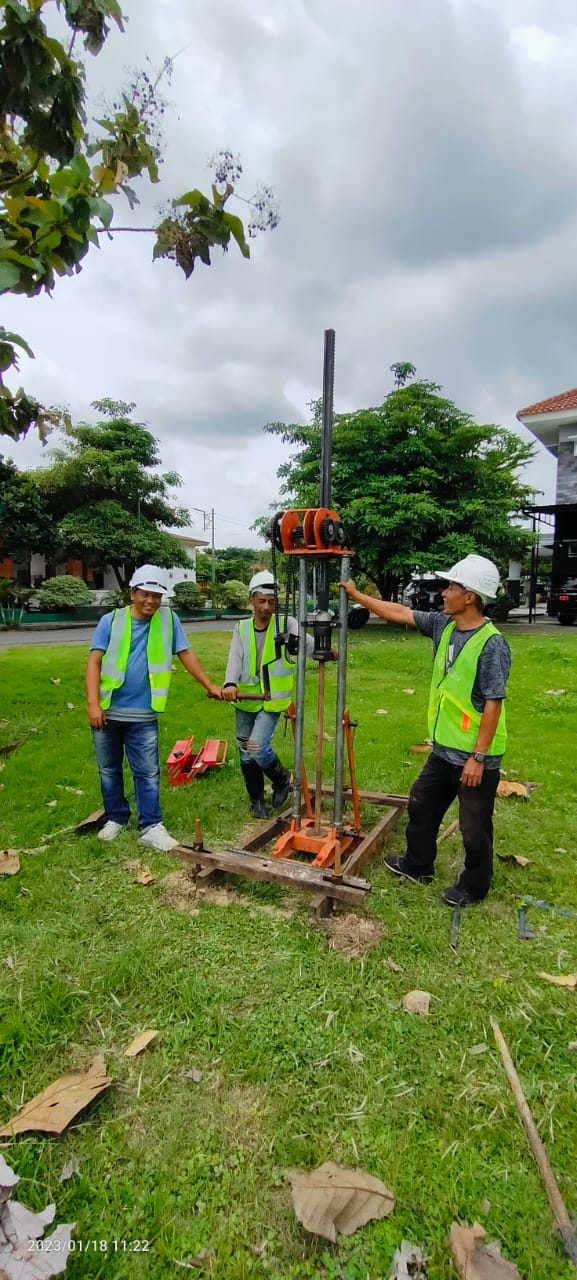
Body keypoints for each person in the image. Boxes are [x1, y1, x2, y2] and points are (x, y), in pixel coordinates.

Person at [341, 554, 511, 907]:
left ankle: (474, 886)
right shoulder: (443, 626)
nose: (444, 592)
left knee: (473, 827)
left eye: (451, 586)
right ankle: (418, 865)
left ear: (471, 596)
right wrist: (357, 596)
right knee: (421, 805)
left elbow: (493, 703)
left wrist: (477, 758)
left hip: (474, 756)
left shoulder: (491, 644)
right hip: (444, 749)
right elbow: (398, 612)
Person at [86, 564, 223, 851]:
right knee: (109, 770)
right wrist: (93, 704)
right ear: (132, 592)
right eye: (146, 594)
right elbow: (94, 662)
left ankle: (151, 826)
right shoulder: (110, 621)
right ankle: (116, 818)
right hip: (108, 711)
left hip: (144, 713)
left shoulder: (168, 620)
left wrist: (209, 686)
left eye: (157, 596)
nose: (151, 601)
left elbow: (185, 653)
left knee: (147, 772)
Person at [222, 571, 314, 818]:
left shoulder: (287, 623)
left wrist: (313, 647)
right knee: (245, 751)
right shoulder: (241, 628)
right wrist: (230, 683)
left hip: (273, 700)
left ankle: (282, 778)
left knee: (257, 745)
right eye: (261, 601)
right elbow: (235, 658)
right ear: (251, 600)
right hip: (246, 699)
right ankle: (256, 801)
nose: (266, 607)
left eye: (271, 602)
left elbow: (309, 644)